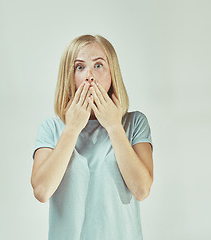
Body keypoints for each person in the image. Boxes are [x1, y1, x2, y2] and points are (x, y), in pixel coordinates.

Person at [31, 34, 154, 240]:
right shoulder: (51, 128)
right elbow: (42, 191)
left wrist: (114, 126)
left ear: (112, 72)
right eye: (80, 67)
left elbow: (141, 189)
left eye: (98, 65)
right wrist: (71, 129)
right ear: (69, 76)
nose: (89, 75)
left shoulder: (135, 123)